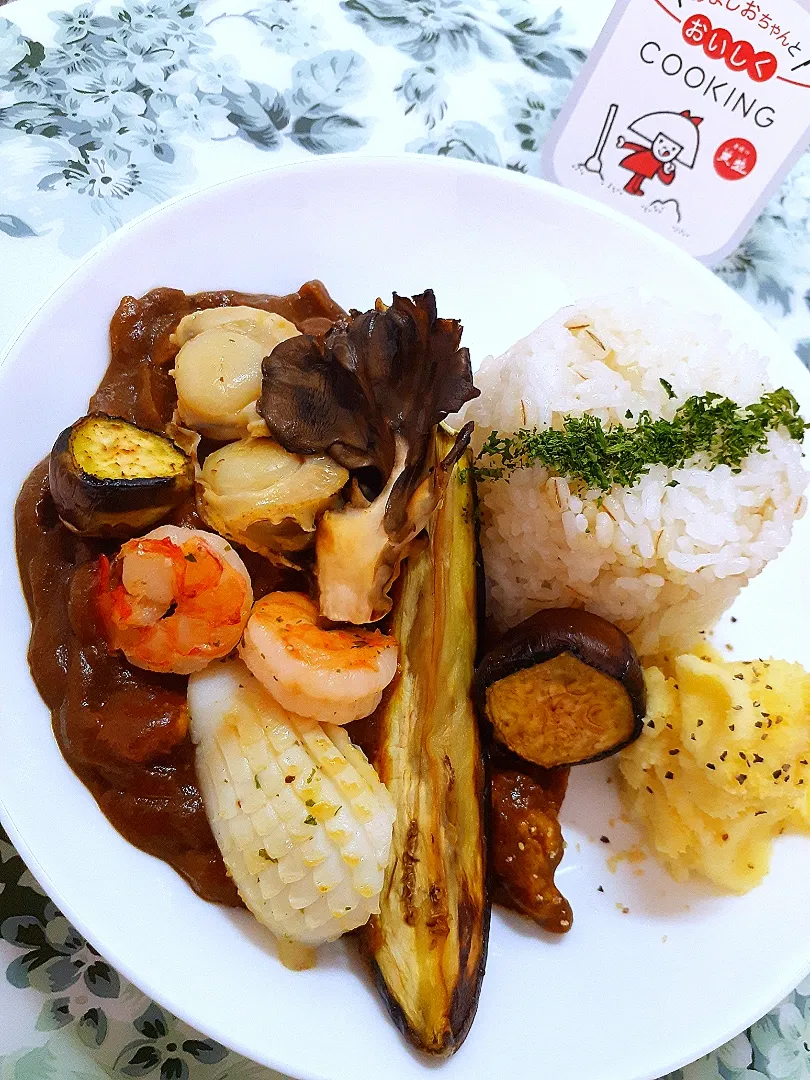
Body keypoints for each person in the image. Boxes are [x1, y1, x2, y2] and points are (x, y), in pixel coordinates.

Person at [617, 109, 702, 197]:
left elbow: (665, 179)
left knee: (640, 177)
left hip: (647, 168)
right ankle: (630, 187)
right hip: (641, 163)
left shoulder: (663, 163)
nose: (665, 150)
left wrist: (667, 171)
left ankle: (633, 188)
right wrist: (624, 144)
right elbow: (638, 148)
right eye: (661, 141)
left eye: (673, 149)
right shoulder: (649, 153)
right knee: (638, 176)